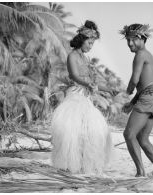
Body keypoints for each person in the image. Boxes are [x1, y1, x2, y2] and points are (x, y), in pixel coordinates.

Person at [51, 20, 118, 175]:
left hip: (86, 99)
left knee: (93, 132)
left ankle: (83, 166)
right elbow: (74, 75)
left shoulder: (86, 60)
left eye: (92, 43)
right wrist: (88, 84)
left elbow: (92, 82)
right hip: (76, 97)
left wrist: (108, 89)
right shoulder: (72, 56)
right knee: (72, 134)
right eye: (89, 42)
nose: (90, 46)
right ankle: (71, 167)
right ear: (82, 40)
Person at [120, 24, 153, 177]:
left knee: (129, 134)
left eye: (133, 40)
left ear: (142, 39)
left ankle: (140, 172)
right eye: (128, 40)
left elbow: (135, 80)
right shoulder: (147, 55)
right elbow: (145, 86)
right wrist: (132, 103)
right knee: (142, 139)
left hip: (148, 98)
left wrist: (126, 93)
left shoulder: (140, 54)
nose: (130, 43)